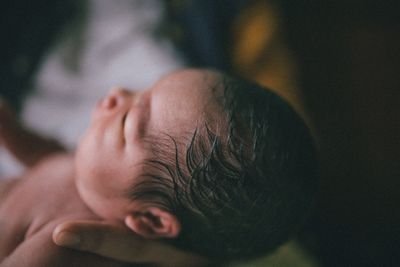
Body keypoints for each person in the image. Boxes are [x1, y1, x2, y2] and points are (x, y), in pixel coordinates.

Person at [0, 69, 317, 266]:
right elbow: (49, 160)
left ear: (150, 220)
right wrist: (12, 132)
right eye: (142, 90)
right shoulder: (94, 177)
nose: (117, 94)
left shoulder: (68, 244)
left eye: (126, 122)